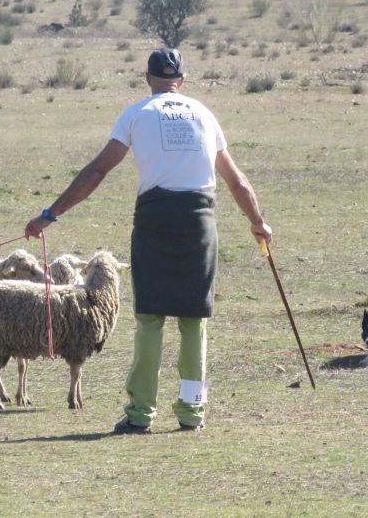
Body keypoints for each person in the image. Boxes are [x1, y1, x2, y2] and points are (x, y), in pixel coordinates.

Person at [25, 48, 272, 434]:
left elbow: (96, 171)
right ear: (183, 82)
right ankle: (193, 413)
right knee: (194, 322)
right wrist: (258, 222)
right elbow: (236, 181)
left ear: (147, 79)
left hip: (155, 220)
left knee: (150, 319)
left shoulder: (136, 114)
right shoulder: (205, 115)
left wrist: (50, 214)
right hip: (199, 221)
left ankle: (140, 413)